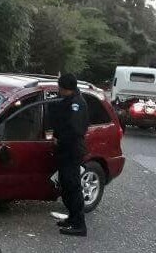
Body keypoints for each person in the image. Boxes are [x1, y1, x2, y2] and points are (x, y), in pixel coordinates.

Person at [51, 73, 89, 237]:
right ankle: (72, 219)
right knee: (66, 186)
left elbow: (75, 130)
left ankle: (79, 225)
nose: (58, 90)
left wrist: (60, 140)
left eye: (60, 87)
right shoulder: (68, 101)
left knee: (73, 187)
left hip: (72, 151)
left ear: (66, 88)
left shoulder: (77, 104)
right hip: (65, 150)